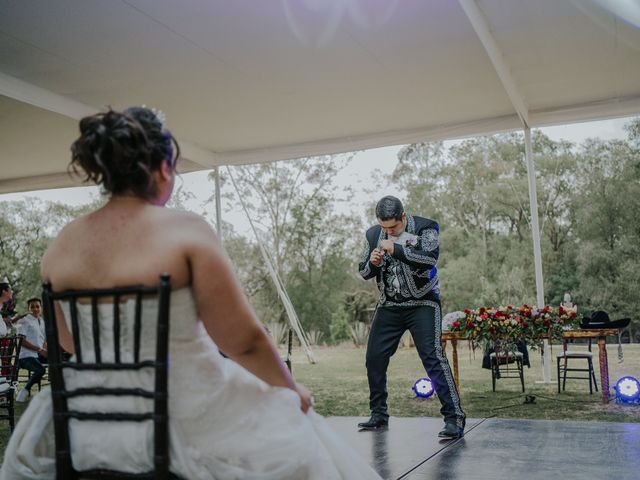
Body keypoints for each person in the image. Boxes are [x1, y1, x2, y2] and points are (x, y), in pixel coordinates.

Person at [0, 107, 382, 480]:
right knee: (302, 435)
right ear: (164, 168)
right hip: (184, 414)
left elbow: (68, 341)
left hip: (88, 423)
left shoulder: (63, 243)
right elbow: (243, 341)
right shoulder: (184, 230)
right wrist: (291, 388)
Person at [357, 196, 465, 439]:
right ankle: (378, 414)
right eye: (384, 227)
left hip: (423, 303)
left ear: (403, 217)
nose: (387, 232)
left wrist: (394, 248)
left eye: (393, 227)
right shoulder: (373, 233)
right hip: (390, 305)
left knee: (433, 358)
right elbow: (363, 270)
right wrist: (373, 263)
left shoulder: (427, 227)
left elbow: (429, 258)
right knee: (374, 358)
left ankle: (454, 418)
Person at [15, 298, 47, 402]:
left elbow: (43, 341)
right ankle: (24, 391)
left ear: (41, 308)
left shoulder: (42, 322)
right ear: (28, 309)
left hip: (38, 355)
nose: (35, 309)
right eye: (32, 306)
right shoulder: (24, 321)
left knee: (60, 361)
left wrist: (46, 351)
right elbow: (21, 341)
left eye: (37, 306)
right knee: (40, 370)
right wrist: (39, 349)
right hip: (25, 356)